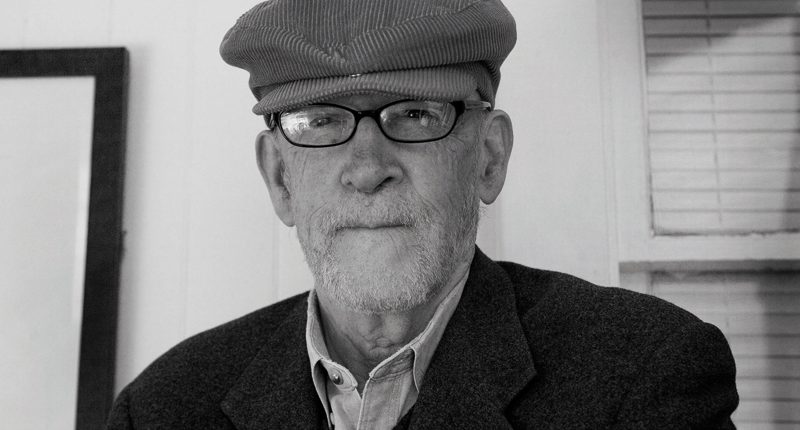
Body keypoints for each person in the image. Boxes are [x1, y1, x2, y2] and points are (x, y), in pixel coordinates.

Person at [107, 0, 739, 428]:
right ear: (279, 178)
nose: (367, 168)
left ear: (488, 157)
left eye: (414, 114)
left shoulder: (644, 376)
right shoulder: (163, 407)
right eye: (320, 122)